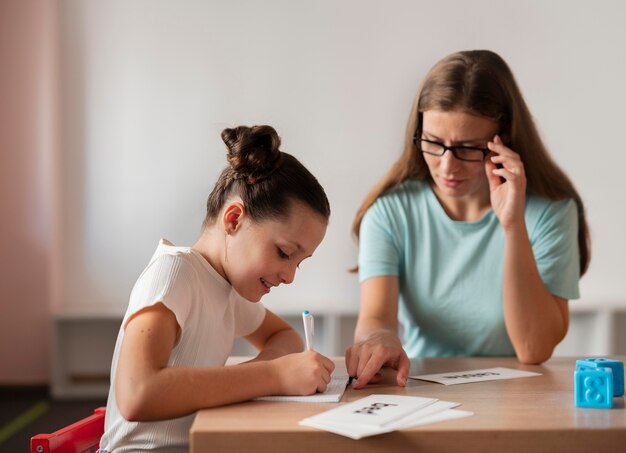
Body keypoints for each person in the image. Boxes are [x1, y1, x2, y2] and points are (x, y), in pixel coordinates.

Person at [345, 50, 590, 389]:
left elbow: (534, 348)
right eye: (433, 143)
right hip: (422, 389)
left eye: (467, 148)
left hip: (521, 397)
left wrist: (513, 225)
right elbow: (375, 319)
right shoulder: (390, 212)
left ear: (502, 140)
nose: (447, 167)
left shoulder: (550, 211)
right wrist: (379, 339)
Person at [98, 125, 334, 453]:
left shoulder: (226, 290)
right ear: (233, 219)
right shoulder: (175, 273)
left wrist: (264, 371)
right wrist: (273, 376)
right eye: (284, 253)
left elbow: (284, 337)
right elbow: (137, 394)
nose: (290, 276)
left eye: (300, 262)